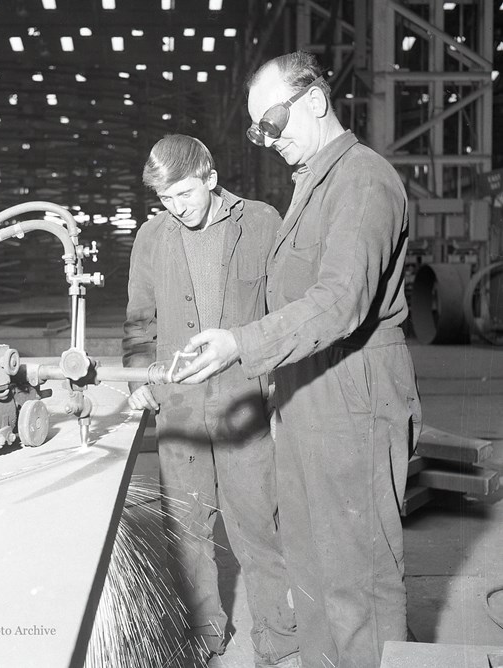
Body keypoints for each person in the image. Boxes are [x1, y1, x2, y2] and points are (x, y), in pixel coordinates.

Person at [174, 52, 422, 668]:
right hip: (308, 397)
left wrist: (242, 343)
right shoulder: (312, 185)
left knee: (356, 583)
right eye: (258, 129)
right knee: (310, 570)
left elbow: (341, 301)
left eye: (274, 120)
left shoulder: (362, 180)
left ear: (315, 99)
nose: (268, 138)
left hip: (353, 396)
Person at [122, 134, 299, 668]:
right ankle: (203, 635)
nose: (176, 209)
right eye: (165, 200)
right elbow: (138, 322)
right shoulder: (153, 237)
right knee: (187, 527)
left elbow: (285, 310)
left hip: (244, 401)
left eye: (184, 195)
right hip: (179, 406)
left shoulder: (263, 222)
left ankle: (278, 636)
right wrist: (137, 380)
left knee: (257, 525)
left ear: (211, 177)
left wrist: (280, 389)